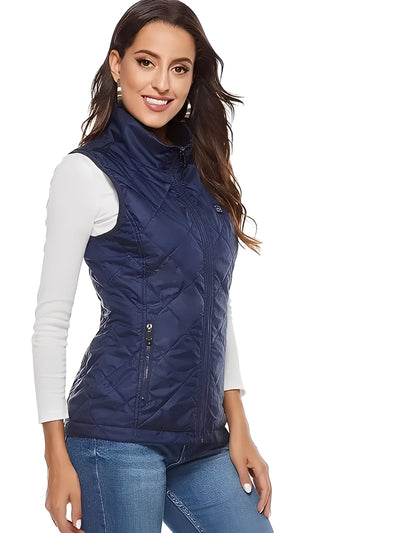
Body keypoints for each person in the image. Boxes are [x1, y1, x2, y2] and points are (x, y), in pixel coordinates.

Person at [31, 1, 274, 531]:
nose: (162, 83)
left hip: (203, 437)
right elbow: (51, 322)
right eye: (146, 62)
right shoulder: (85, 173)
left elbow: (212, 302)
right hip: (117, 437)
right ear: (117, 65)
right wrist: (55, 456)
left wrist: (238, 423)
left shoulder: (204, 170)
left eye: (179, 68)